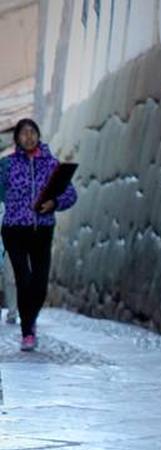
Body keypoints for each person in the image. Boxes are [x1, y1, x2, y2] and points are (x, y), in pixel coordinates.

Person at [0, 118, 77, 352]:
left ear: (38, 135)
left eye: (32, 132)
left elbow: (71, 195)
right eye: (24, 133)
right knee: (23, 279)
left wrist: (54, 203)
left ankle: (30, 319)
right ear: (17, 139)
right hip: (14, 229)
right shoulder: (7, 165)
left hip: (42, 230)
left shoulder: (51, 165)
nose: (29, 137)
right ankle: (27, 331)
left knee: (40, 285)